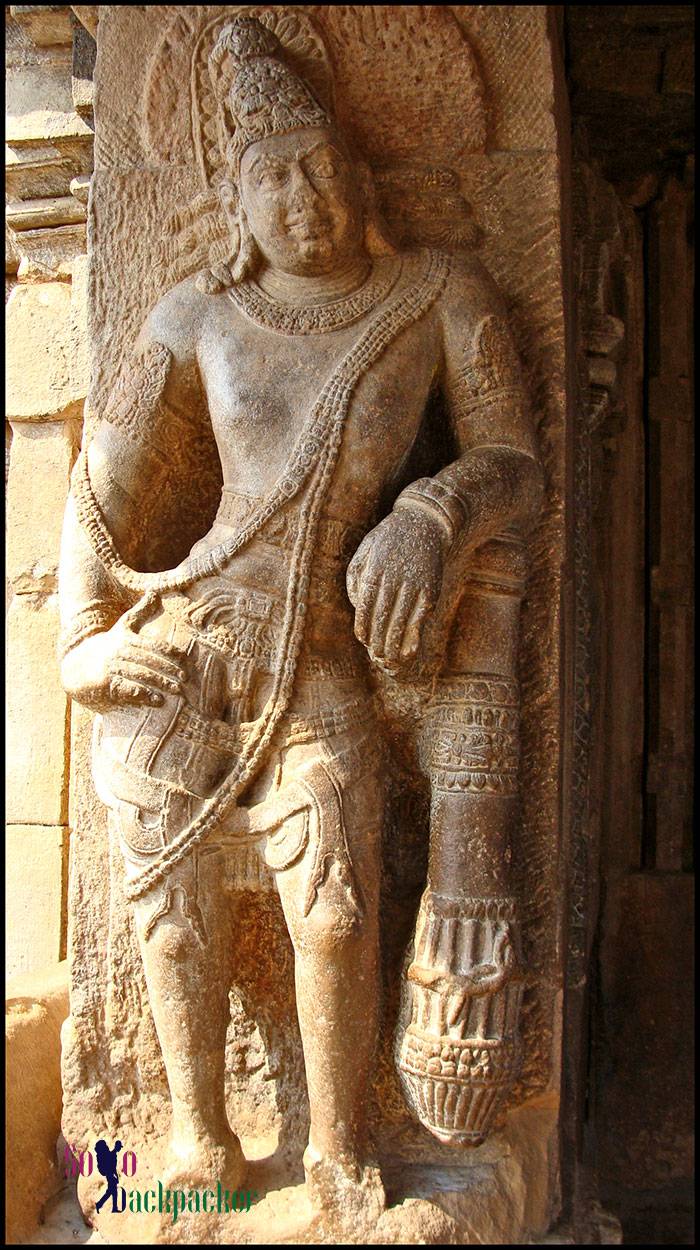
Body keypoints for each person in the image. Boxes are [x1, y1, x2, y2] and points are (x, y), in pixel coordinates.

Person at [59, 15, 542, 1223]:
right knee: (162, 877)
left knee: (329, 890)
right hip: (193, 638)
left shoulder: (437, 298)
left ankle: (336, 1142)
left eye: (322, 166)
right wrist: (82, 632)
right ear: (232, 193)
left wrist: (434, 512)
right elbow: (97, 486)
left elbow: (516, 462)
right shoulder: (190, 316)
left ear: (362, 175)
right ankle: (193, 1133)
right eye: (271, 175)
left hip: (322, 649)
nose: (303, 197)